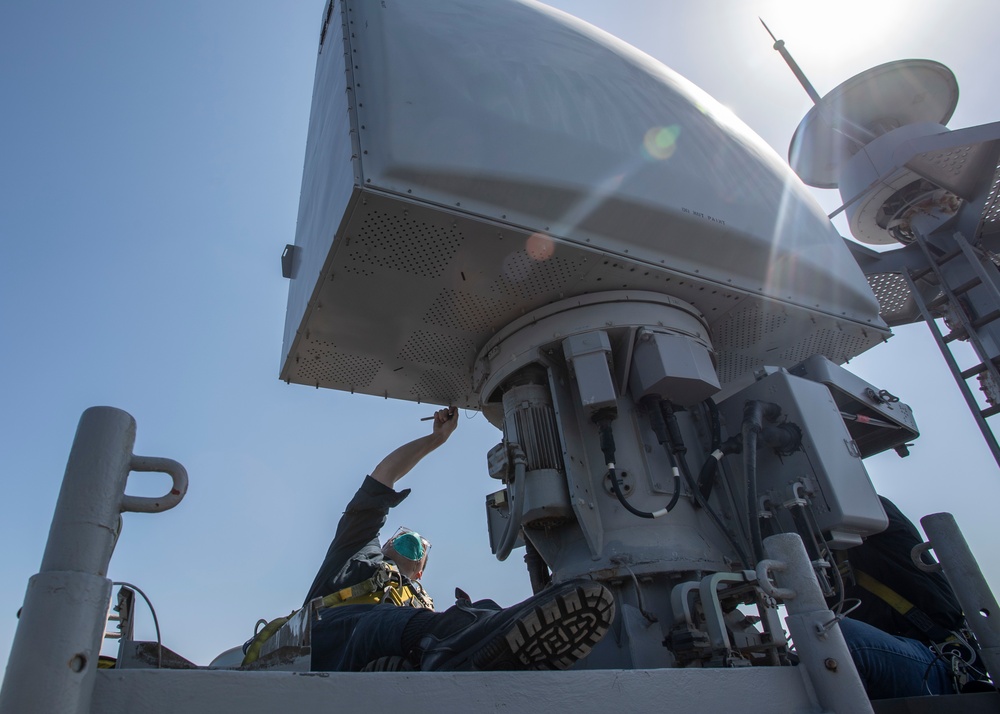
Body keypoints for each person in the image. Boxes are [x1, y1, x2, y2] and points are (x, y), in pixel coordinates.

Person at [293, 406, 616, 672]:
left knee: (471, 614)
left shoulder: (419, 601)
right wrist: (437, 439)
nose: (414, 539)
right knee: (403, 624)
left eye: (421, 544)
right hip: (329, 643)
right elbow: (382, 477)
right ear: (385, 544)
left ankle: (443, 658)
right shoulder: (356, 553)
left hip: (396, 649)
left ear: (420, 573)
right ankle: (470, 643)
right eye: (402, 537)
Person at [836, 496, 986, 699]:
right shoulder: (815, 553)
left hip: (939, 660)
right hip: (888, 662)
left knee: (845, 640)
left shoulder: (864, 505)